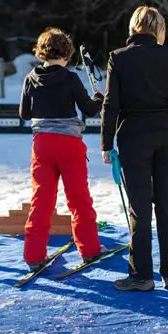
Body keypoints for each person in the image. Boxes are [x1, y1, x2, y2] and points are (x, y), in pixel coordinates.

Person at [101, 6, 168, 291]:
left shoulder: (118, 58)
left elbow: (111, 104)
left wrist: (106, 143)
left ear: (133, 28)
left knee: (140, 208)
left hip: (134, 136)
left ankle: (141, 275)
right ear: (159, 30)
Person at [19, 28, 104, 271]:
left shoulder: (31, 78)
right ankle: (89, 250)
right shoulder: (70, 78)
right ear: (66, 54)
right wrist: (99, 98)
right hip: (68, 144)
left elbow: (24, 114)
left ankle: (33, 255)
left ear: (41, 52)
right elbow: (89, 109)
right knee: (78, 197)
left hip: (42, 144)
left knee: (42, 199)